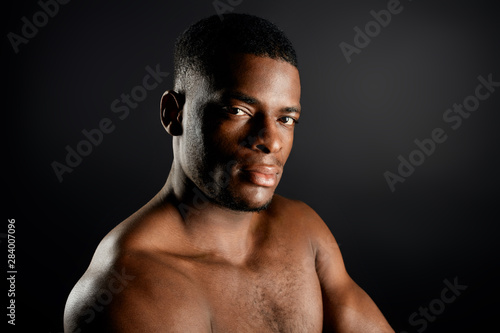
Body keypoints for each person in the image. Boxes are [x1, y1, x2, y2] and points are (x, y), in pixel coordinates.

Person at [64, 13, 394, 333]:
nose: (269, 142)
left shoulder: (303, 230)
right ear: (173, 114)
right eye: (238, 111)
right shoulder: (128, 287)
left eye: (286, 119)